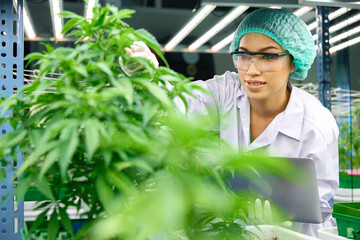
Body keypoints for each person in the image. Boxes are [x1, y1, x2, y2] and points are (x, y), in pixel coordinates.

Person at [122, 8, 339, 237]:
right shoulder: (227, 90)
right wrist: (149, 74)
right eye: (244, 55)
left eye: (268, 56)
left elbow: (319, 208)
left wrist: (283, 217)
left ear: (293, 63)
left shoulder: (316, 125)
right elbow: (178, 101)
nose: (252, 70)